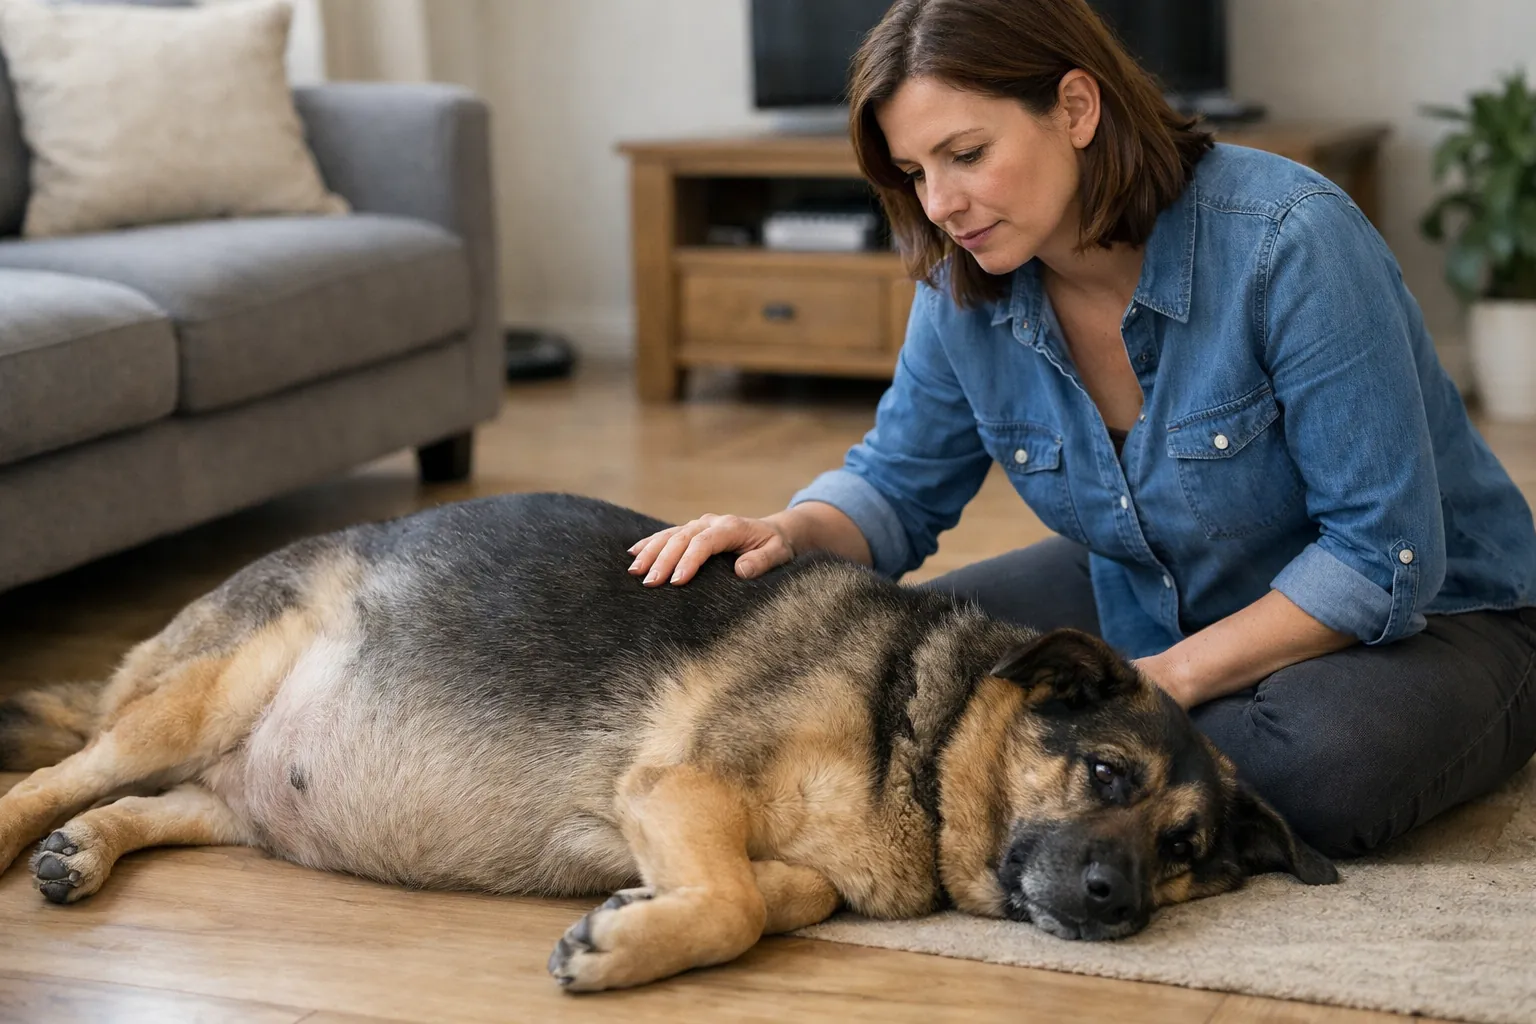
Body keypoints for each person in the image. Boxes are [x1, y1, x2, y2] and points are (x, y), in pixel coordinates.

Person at [626, 0, 1536, 858]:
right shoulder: (962, 290)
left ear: (1075, 106)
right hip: (1150, 582)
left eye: (966, 153)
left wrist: (1161, 684)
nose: (939, 202)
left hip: (1441, 617)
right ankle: (1126, 753)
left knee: (1321, 769)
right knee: (910, 670)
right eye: (915, 172)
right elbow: (896, 486)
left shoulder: (1288, 241)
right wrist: (787, 533)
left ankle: (1131, 741)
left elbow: (1382, 561)